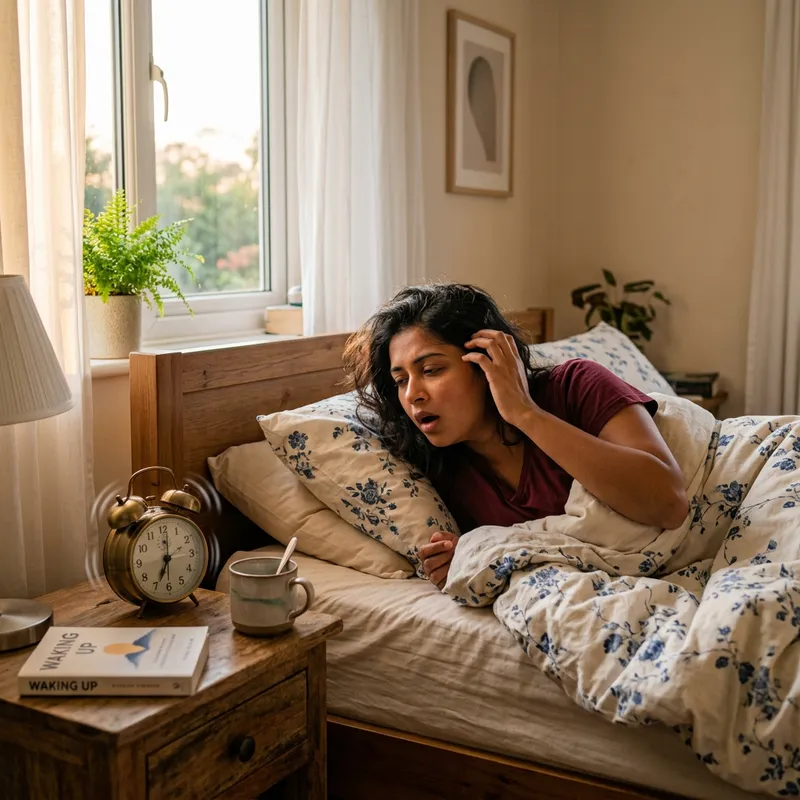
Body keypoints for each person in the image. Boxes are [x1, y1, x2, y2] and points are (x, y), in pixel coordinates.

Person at [342, 283, 688, 589]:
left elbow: (670, 505)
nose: (413, 394)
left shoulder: (576, 386)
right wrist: (467, 554)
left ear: (486, 363)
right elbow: (509, 550)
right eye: (401, 380)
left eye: (431, 370)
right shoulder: (437, 474)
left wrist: (525, 413)